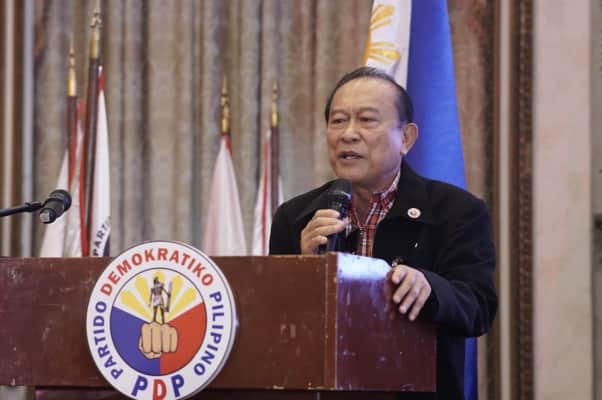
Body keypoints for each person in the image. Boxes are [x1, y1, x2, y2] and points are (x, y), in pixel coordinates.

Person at [269, 67, 497, 399]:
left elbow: (479, 308)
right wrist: (303, 270)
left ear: (406, 138)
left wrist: (430, 288)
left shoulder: (456, 211)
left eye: (366, 120)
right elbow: (277, 327)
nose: (348, 134)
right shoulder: (295, 217)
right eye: (338, 121)